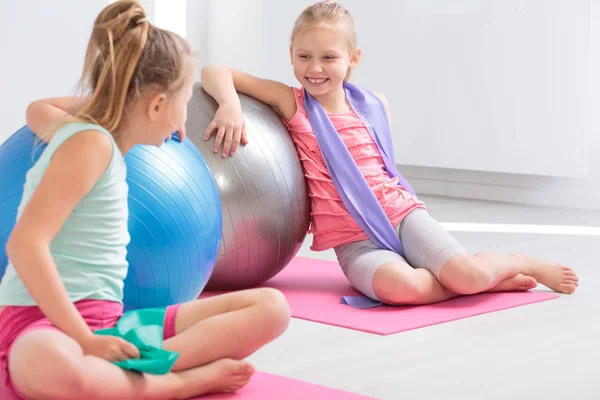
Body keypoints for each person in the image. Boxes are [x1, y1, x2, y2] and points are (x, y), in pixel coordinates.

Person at [200, 0, 578, 308]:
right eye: (304, 56)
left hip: (402, 217)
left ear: (353, 58)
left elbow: (383, 173)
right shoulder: (292, 102)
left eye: (329, 58)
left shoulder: (374, 105)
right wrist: (230, 105)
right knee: (403, 290)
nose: (314, 68)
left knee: (468, 274)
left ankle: (514, 264)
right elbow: (215, 70)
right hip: (353, 241)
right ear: (291, 56)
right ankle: (475, 285)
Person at [0, 1, 290, 399]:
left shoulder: (94, 134)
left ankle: (128, 369)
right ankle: (175, 382)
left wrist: (137, 110)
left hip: (113, 325)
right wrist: (85, 339)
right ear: (155, 104)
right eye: (184, 103)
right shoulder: (88, 144)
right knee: (48, 367)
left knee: (273, 308)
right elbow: (24, 244)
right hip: (46, 328)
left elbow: (43, 109)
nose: (183, 119)